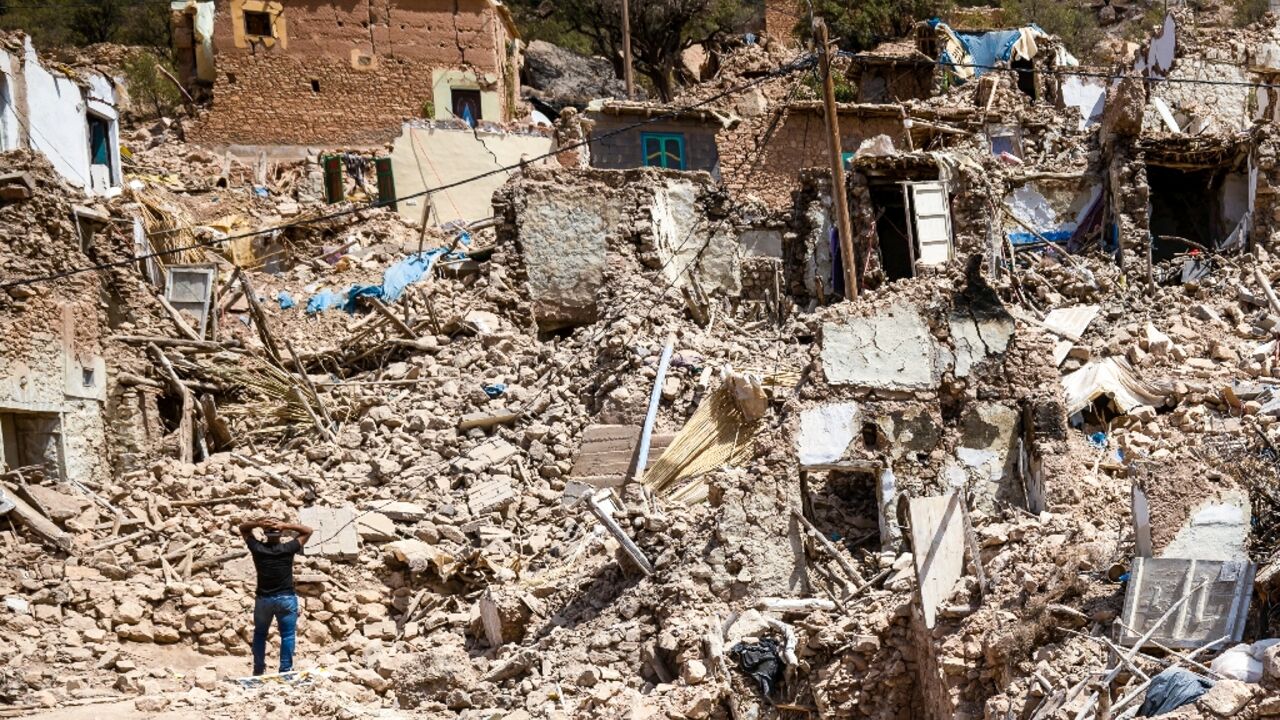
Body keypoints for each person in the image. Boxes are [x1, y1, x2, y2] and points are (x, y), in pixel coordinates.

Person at [237, 516, 313, 676]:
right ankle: (285, 670)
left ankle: (258, 669)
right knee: (287, 635)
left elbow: (243, 528)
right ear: (280, 534)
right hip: (286, 598)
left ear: (264, 533)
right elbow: (308, 531)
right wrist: (285, 525)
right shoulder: (288, 548)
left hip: (263, 599)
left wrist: (258, 522)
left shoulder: (257, 548)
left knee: (260, 634)